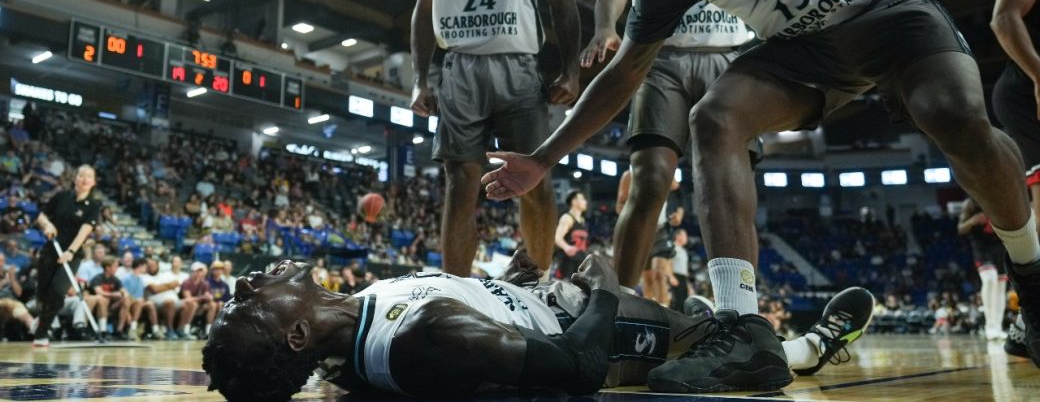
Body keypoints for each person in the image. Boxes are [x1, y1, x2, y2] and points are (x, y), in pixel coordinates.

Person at [482, 0, 1040, 392]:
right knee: (714, 117)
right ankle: (742, 329)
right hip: (807, 52)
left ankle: (1032, 273)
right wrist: (543, 159)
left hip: (890, 13)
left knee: (952, 116)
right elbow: (625, 72)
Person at [203, 253, 873, 400]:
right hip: (587, 326)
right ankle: (810, 346)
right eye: (246, 307)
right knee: (729, 337)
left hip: (540, 300)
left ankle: (712, 323)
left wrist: (502, 289)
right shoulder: (421, 337)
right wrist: (605, 288)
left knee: (704, 326)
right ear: (296, 337)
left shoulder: (353, 327)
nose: (241, 285)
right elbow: (578, 370)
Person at [581, 0, 750, 300]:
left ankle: (738, 308)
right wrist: (605, 26)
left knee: (728, 185)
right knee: (651, 178)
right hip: (662, 59)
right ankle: (617, 302)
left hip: (731, 56)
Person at [408, 0, 581, 275]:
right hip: (459, 66)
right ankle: (456, 290)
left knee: (534, 179)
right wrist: (419, 79)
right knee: (459, 182)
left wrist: (570, 69)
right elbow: (423, 8)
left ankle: (538, 283)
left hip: (517, 66)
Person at [991, 0, 1040, 358]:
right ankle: (1031, 319)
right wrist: (1039, 75)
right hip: (1027, 91)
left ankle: (1027, 322)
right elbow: (1003, 20)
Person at [32, 164, 100, 347]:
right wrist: (47, 225)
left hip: (72, 255)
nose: (84, 179)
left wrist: (70, 252)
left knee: (57, 291)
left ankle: (42, 332)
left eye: (89, 176)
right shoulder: (61, 197)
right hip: (51, 250)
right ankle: (42, 320)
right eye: (81, 175)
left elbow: (84, 232)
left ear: (93, 182)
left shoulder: (93, 206)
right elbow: (41, 216)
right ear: (75, 178)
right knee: (43, 292)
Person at [957, 198, 1008, 341]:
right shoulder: (970, 203)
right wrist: (972, 221)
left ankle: (998, 327)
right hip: (981, 245)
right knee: (990, 279)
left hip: (999, 243)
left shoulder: (999, 198)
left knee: (1001, 286)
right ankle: (989, 326)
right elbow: (960, 228)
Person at [553, 190, 589, 279]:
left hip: (580, 262)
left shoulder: (582, 220)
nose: (585, 202)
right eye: (582, 199)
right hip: (568, 263)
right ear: (574, 201)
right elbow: (557, 237)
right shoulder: (567, 218)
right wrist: (566, 247)